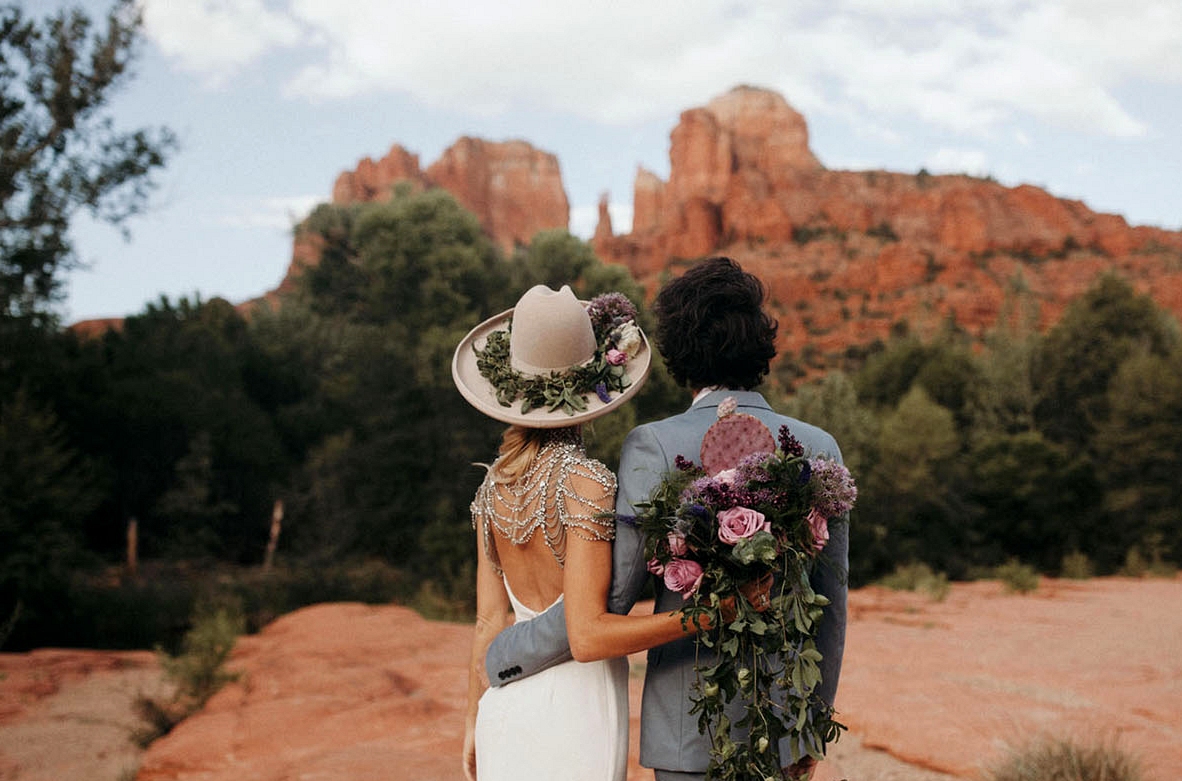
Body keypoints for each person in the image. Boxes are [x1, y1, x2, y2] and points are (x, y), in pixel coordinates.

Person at [484, 257, 849, 781]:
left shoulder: (651, 446)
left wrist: (508, 649)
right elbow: (831, 607)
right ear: (760, 345)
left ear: (678, 352)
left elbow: (612, 601)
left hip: (686, 736)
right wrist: (811, 724)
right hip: (783, 730)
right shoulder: (820, 448)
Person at [452, 283, 709, 781]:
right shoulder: (586, 484)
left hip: (502, 709)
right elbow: (588, 635)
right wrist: (703, 618)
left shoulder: (491, 488)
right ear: (591, 385)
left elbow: (488, 623)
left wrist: (471, 721)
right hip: (574, 707)